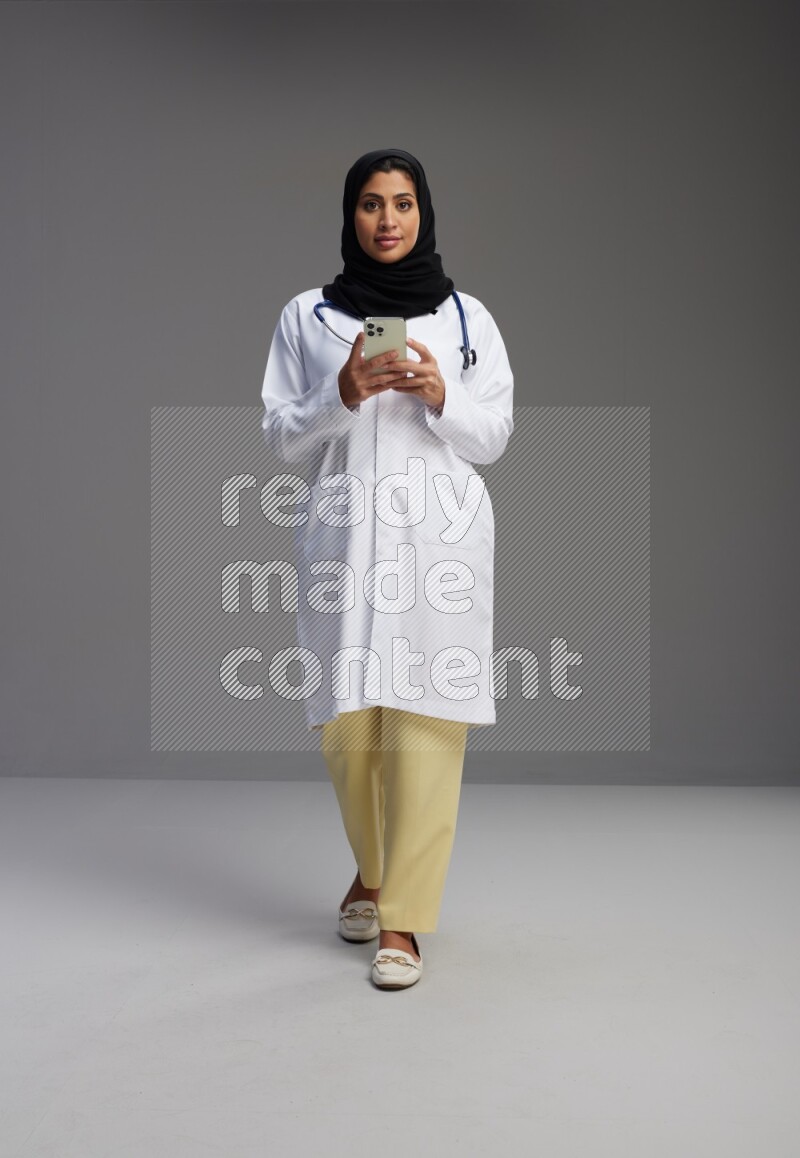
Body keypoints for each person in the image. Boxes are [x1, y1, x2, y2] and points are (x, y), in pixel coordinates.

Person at [260, 148, 514, 989]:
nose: (388, 220)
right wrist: (343, 391)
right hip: (344, 536)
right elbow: (281, 437)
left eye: (403, 203)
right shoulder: (307, 315)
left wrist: (443, 394)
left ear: (424, 212)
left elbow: (495, 438)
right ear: (351, 215)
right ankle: (372, 870)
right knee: (346, 729)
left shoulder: (466, 317)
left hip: (435, 541)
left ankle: (401, 920)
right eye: (372, 204)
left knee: (424, 725)